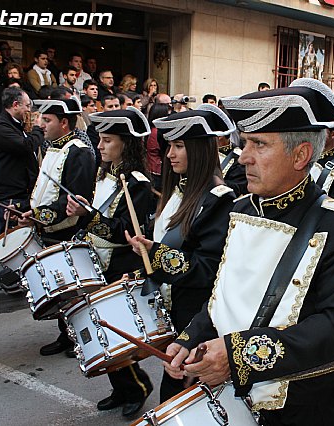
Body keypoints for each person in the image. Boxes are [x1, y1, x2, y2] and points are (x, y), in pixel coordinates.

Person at [160, 80, 334, 425]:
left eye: (259, 144)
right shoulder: (239, 209)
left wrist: (237, 355)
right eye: (245, 144)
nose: (243, 157)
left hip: (297, 405)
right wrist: (191, 337)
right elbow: (222, 296)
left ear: (301, 155)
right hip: (227, 392)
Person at [126, 104, 237, 403]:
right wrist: (146, 254)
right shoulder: (178, 189)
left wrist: (157, 255)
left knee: (181, 399)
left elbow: (209, 269)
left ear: (200, 150)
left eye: (179, 146)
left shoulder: (218, 199)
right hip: (172, 307)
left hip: (196, 314)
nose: (170, 154)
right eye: (169, 147)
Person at [68, 107, 154, 418]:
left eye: (107, 140)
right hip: (97, 263)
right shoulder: (106, 174)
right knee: (102, 329)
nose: (100, 146)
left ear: (126, 144)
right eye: (100, 140)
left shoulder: (138, 183)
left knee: (117, 333)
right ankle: (121, 389)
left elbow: (128, 232)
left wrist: (88, 217)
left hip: (119, 266)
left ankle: (137, 387)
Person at [18, 97, 97, 356]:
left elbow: (75, 197)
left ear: (64, 123)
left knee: (74, 292)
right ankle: (67, 335)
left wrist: (40, 214)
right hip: (48, 230)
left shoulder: (80, 151)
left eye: (47, 119)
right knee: (61, 292)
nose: (40, 124)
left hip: (69, 232)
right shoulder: (52, 148)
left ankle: (81, 337)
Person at [0, 87, 41, 239]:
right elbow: (26, 146)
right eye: (27, 106)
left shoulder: (16, 125)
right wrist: (37, 129)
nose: (29, 111)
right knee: (5, 239)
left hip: (20, 193)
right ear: (16, 104)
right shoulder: (0, 127)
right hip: (7, 196)